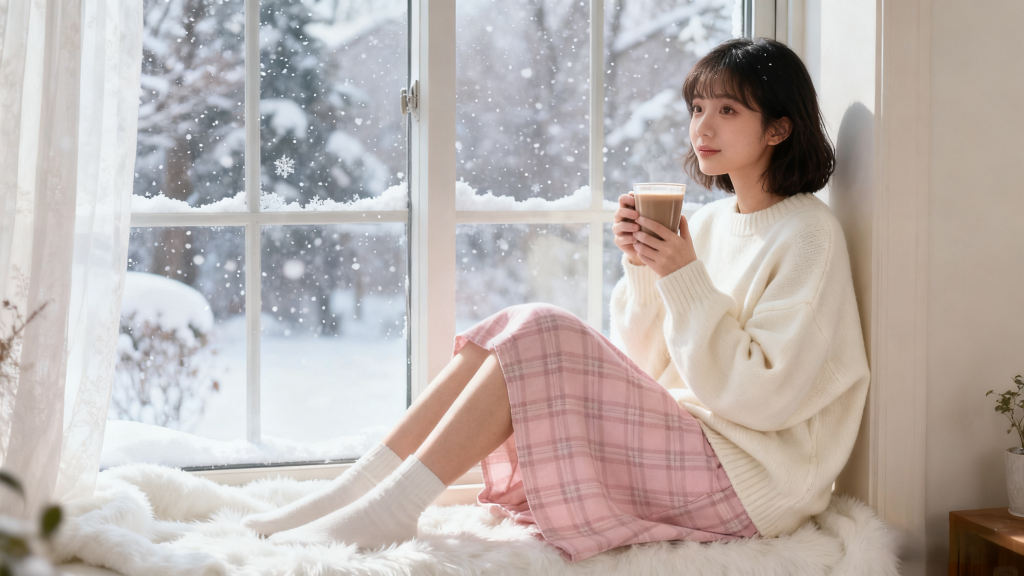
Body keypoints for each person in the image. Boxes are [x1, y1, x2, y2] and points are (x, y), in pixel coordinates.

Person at [242, 37, 870, 563]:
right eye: (697, 107)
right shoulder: (703, 226)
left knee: (541, 325)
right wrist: (647, 270)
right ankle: (359, 490)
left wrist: (682, 277)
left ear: (780, 128)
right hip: (693, 445)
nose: (702, 127)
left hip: (752, 484)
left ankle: (393, 509)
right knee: (516, 323)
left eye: (729, 111)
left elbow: (763, 398)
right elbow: (648, 364)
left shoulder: (808, 235)